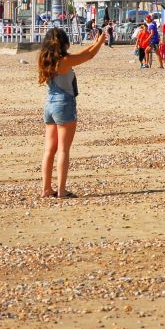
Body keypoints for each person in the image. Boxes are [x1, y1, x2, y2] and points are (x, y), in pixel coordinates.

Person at [37, 27, 106, 200]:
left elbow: (79, 55)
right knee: (63, 150)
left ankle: (46, 188)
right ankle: (61, 190)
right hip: (64, 104)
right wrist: (100, 43)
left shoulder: (46, 59)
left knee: (49, 150)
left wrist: (94, 43)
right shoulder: (64, 61)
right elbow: (88, 57)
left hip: (49, 104)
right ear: (63, 42)